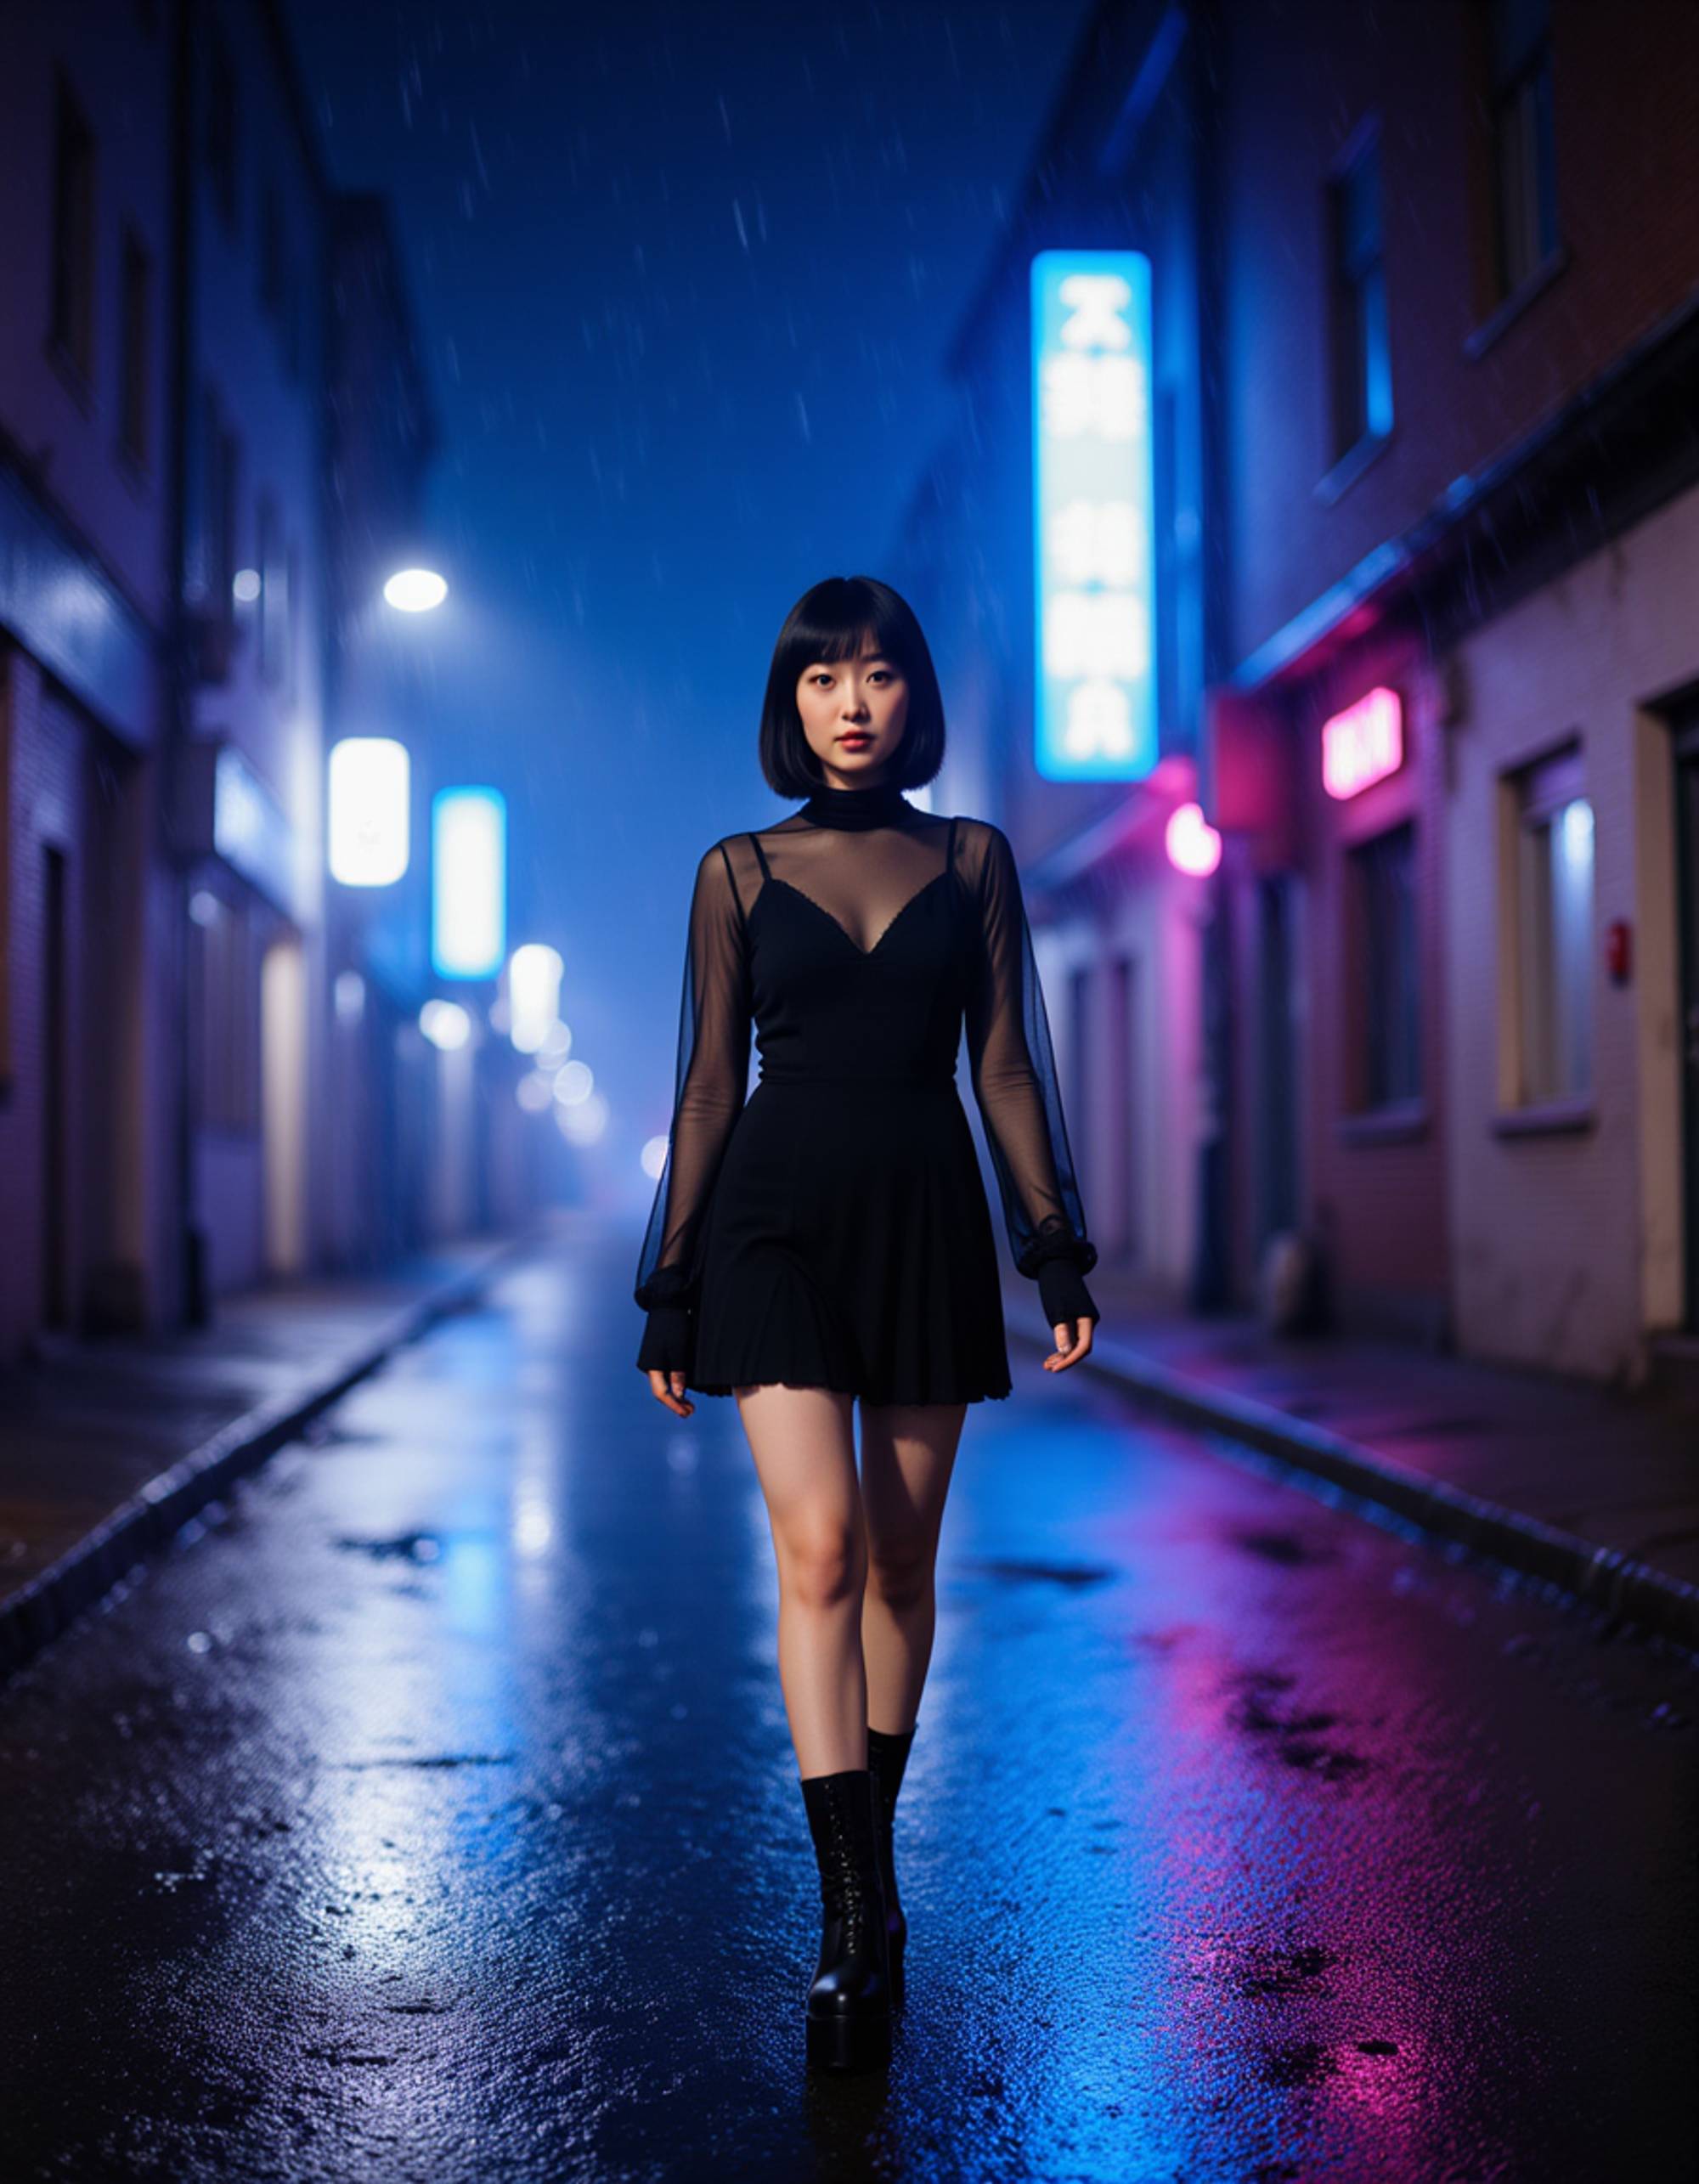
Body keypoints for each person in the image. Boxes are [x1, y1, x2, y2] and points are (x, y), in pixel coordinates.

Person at [634, 574, 1101, 2074]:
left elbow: (1008, 1070)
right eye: (823, 677)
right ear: (792, 703)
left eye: (879, 673)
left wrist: (1055, 1249)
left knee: (903, 1560)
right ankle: (850, 1917)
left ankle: (871, 1883)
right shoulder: (736, 872)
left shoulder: (975, 862)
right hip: (773, 1224)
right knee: (820, 1551)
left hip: (921, 1218)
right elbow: (708, 1087)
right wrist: (674, 1276)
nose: (852, 700)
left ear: (915, 697)